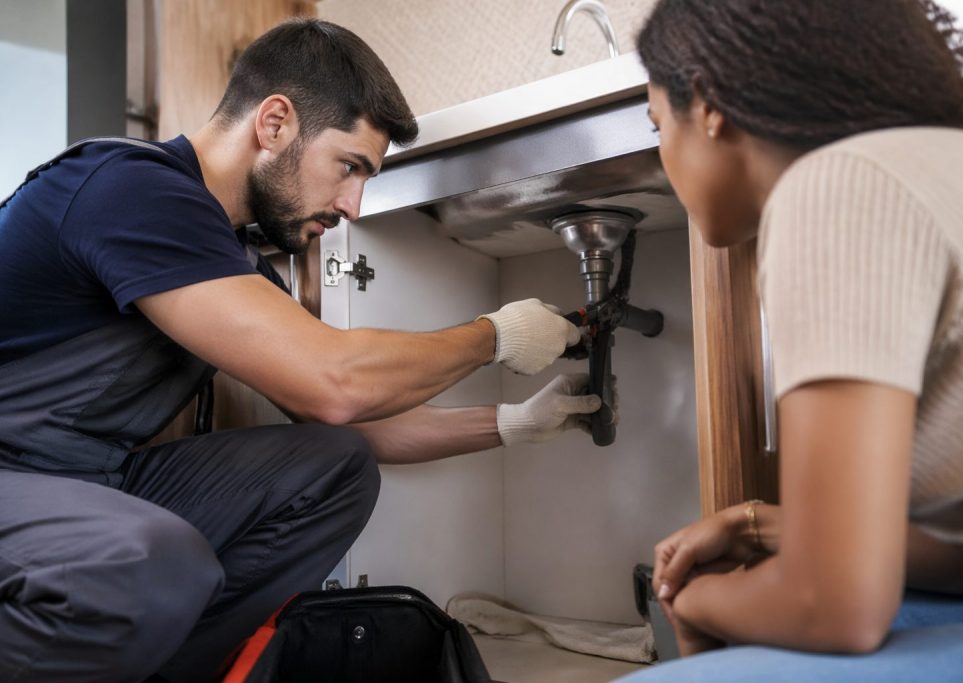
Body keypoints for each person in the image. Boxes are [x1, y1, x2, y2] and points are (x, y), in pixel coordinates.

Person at [0, 18, 599, 683]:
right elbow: (335, 380)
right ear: (275, 123)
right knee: (153, 560)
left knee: (336, 464)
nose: (354, 204)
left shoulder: (234, 260)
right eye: (350, 167)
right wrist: (496, 334)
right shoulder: (126, 187)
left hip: (88, 481)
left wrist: (511, 423)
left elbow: (358, 422)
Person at [617, 1, 963, 681]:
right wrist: (763, 525)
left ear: (710, 102)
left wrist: (696, 603)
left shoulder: (833, 188)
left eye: (658, 124)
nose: (662, 156)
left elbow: (832, 608)